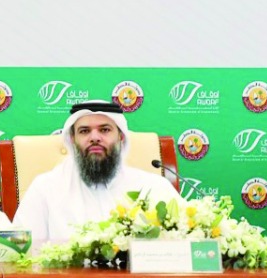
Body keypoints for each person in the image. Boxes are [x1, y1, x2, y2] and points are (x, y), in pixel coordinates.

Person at [13, 100, 181, 243]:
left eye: (105, 130)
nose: (94, 137)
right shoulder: (46, 188)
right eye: (84, 131)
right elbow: (22, 247)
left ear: (121, 136)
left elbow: (184, 241)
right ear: (72, 139)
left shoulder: (152, 187)